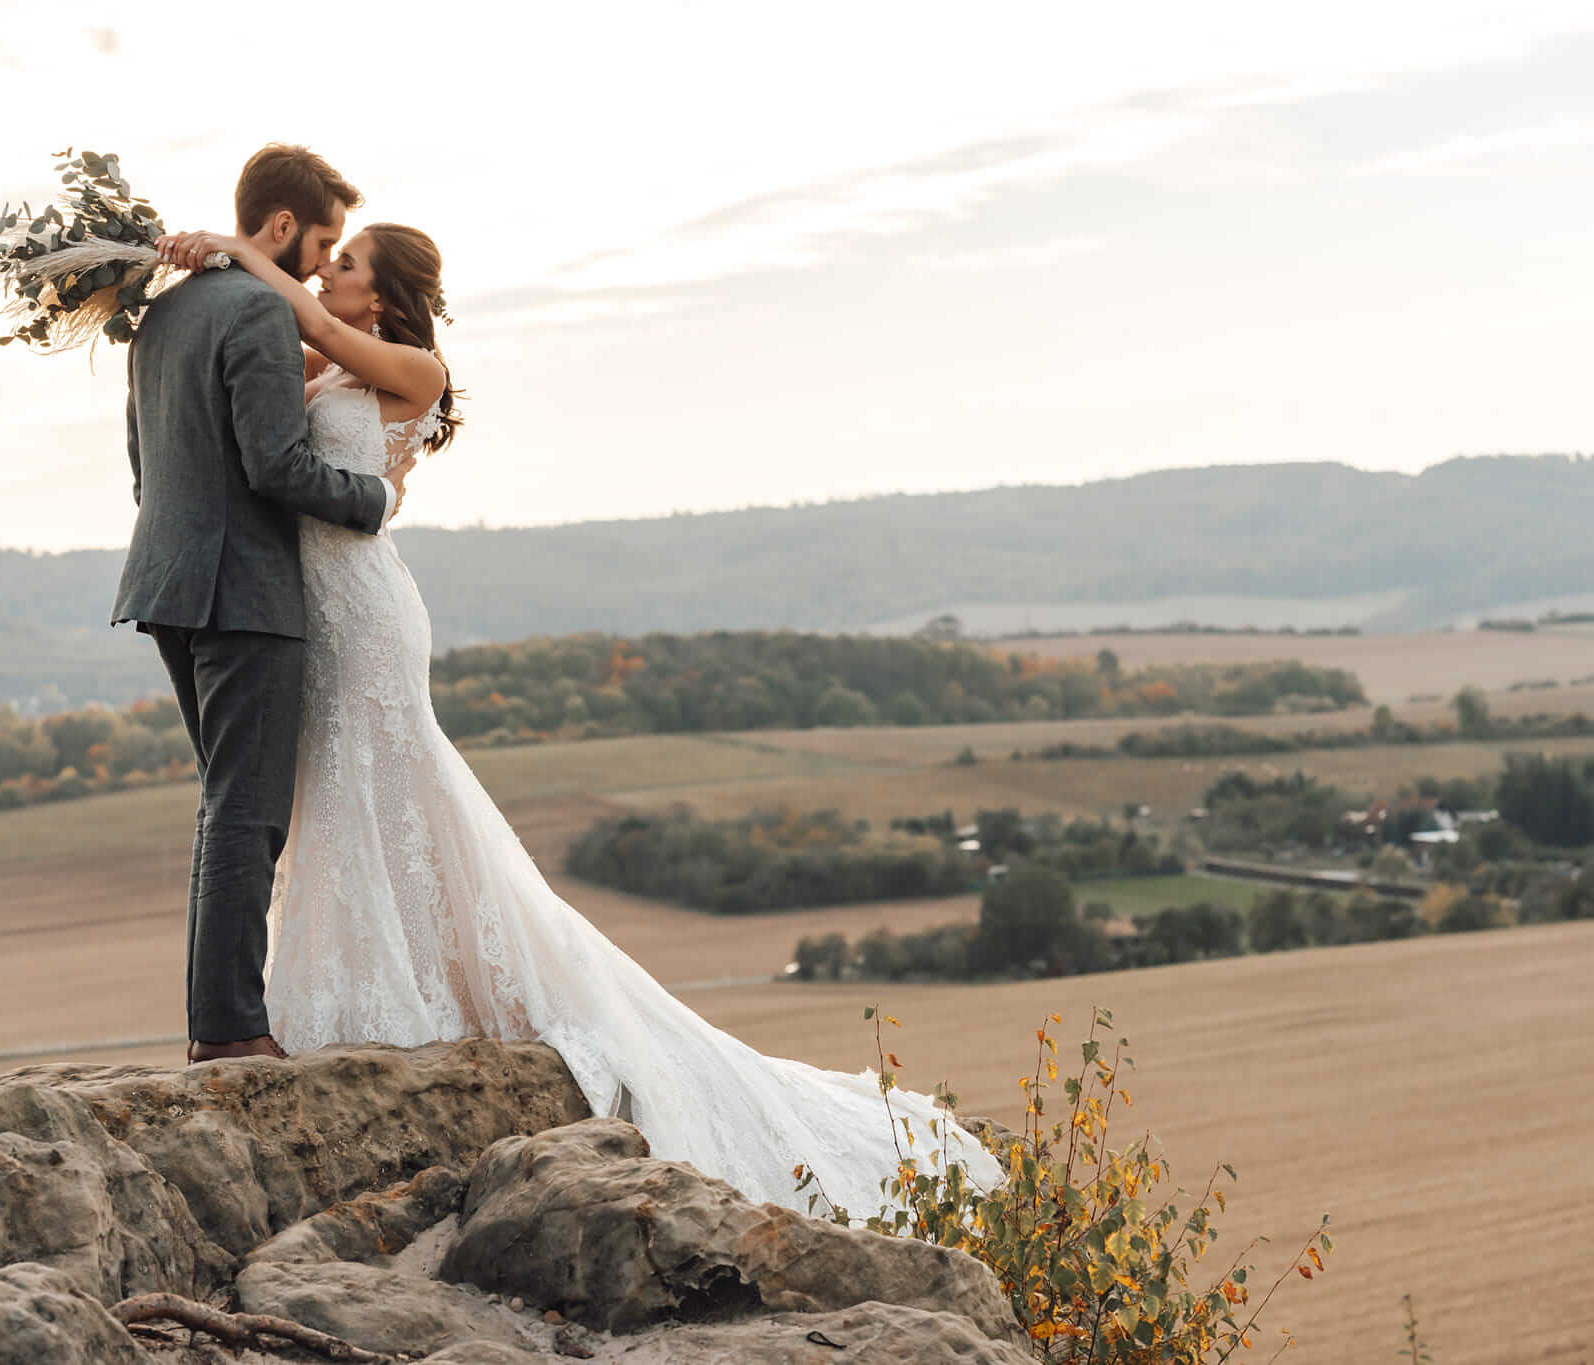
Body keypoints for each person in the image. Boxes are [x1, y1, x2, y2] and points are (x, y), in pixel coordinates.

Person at [154, 214, 1001, 1214]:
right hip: (315, 608)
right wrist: (187, 277)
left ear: (381, 295)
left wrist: (237, 251)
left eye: (345, 263)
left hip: (368, 612)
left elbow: (314, 325)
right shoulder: (326, 369)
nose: (326, 272)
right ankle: (375, 979)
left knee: (394, 781)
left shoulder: (411, 368)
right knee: (340, 794)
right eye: (327, 260)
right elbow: (256, 372)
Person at [114, 144, 414, 1065]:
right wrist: (375, 499)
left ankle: (217, 1021)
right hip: (242, 590)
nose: (321, 266)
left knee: (224, 805)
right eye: (321, 243)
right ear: (281, 226)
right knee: (248, 813)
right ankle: (231, 1031)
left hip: (165, 581)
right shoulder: (257, 312)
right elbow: (277, 466)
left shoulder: (162, 315)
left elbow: (144, 469)